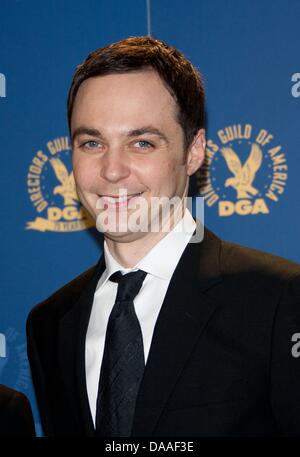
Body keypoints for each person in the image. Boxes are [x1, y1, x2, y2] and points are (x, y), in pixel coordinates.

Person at [27, 36, 300, 437]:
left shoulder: (278, 300)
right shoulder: (50, 323)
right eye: (91, 142)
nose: (112, 169)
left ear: (194, 152)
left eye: (141, 142)